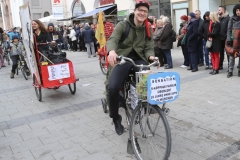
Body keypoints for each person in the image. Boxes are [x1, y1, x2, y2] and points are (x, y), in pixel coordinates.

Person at [106, 1, 155, 135]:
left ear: (147, 14)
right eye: (140, 10)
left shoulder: (148, 28)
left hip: (139, 58)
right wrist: (112, 52)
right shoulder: (123, 25)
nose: (142, 13)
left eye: (145, 11)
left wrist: (151, 56)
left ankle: (148, 104)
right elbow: (113, 39)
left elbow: (149, 46)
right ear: (135, 11)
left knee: (148, 77)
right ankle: (116, 118)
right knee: (113, 88)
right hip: (123, 58)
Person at [226, 4, 240, 78]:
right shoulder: (232, 18)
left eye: (239, 10)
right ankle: (230, 71)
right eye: (237, 10)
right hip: (233, 40)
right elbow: (228, 29)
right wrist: (228, 39)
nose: (238, 12)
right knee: (231, 56)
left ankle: (239, 70)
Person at [218, 6, 230, 70]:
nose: (218, 11)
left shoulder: (228, 18)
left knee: (228, 53)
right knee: (221, 53)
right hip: (220, 39)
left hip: (226, 39)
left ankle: (229, 66)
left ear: (223, 10)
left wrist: (227, 37)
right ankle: (220, 65)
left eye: (219, 10)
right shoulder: (219, 18)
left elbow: (229, 29)